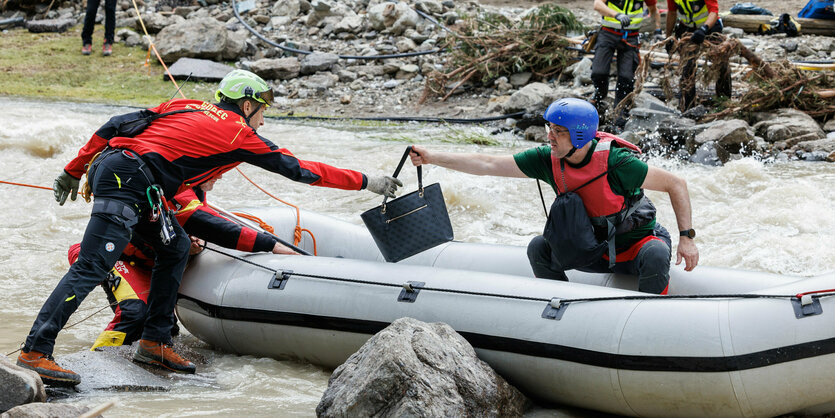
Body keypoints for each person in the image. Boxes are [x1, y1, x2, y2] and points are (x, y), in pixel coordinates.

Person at [17, 69, 401, 386]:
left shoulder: (185, 104)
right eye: (262, 111)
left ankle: (154, 342)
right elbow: (302, 171)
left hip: (133, 178)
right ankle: (36, 351)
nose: (263, 120)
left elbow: (118, 124)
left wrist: (75, 168)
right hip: (128, 178)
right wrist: (367, 181)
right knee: (91, 265)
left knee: (176, 248)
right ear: (247, 105)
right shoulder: (241, 133)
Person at [409, 98, 698, 295]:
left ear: (581, 135)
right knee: (539, 248)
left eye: (559, 132)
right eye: (550, 129)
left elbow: (676, 183)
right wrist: (433, 157)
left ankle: (648, 317)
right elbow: (488, 164)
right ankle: (564, 309)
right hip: (591, 251)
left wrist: (687, 237)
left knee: (657, 252)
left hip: (634, 248)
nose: (550, 137)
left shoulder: (618, 162)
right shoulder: (548, 159)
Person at [83, 174, 294, 351]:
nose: (220, 175)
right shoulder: (178, 188)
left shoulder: (196, 193)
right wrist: (271, 245)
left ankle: (147, 356)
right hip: (118, 258)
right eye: (215, 170)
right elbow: (214, 226)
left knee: (166, 327)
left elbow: (206, 222)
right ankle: (98, 359)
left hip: (150, 263)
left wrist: (192, 239)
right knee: (135, 313)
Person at [591, 0, 660, 125]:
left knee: (626, 77)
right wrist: (616, 15)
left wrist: (658, 30)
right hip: (608, 33)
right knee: (598, 72)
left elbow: (653, 9)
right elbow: (597, 4)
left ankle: (620, 114)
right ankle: (599, 96)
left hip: (631, 37)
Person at [665, 0, 731, 110]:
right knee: (688, 66)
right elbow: (672, 12)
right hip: (687, 29)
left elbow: (713, 11)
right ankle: (687, 107)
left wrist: (704, 29)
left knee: (721, 63)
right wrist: (668, 37)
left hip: (710, 27)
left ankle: (724, 101)